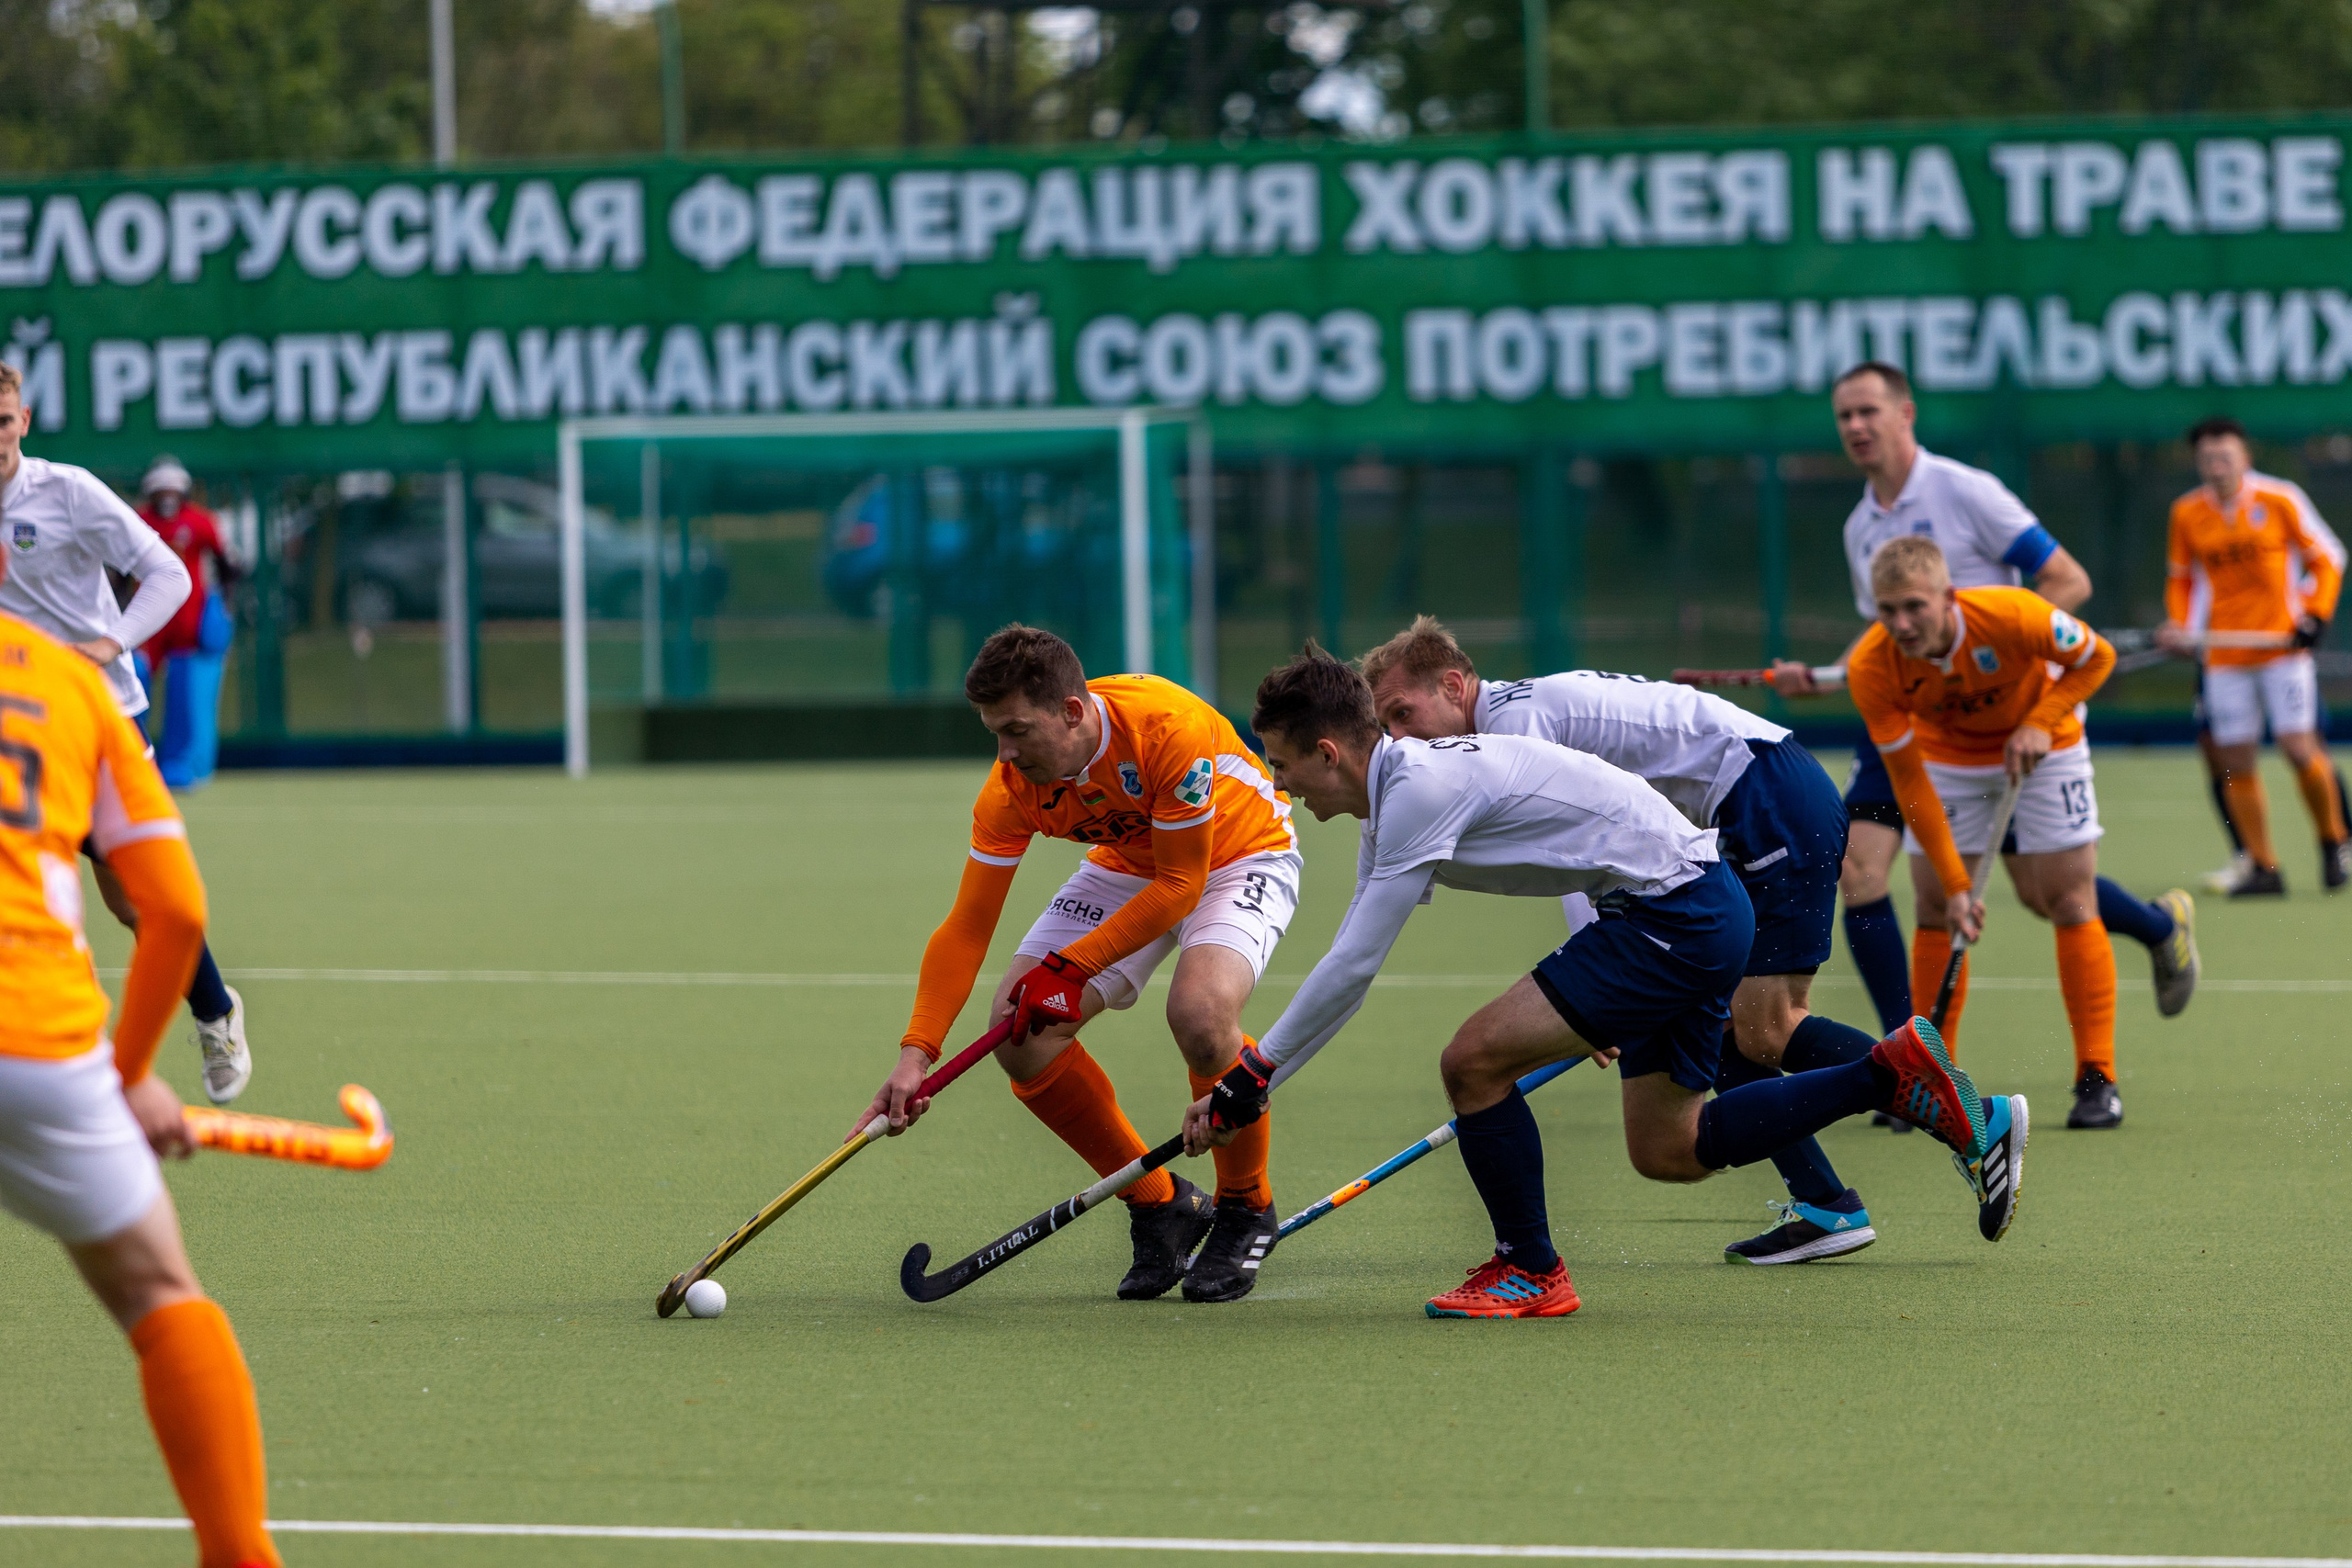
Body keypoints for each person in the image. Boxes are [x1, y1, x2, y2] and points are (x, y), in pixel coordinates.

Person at [1182, 649, 2023, 1319]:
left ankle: (1529, 1270)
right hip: (1684, 903)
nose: (1280, 782)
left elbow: (1355, 967)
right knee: (1669, 1149)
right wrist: (1255, 1084)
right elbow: (1350, 965)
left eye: (1283, 762)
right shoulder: (1394, 795)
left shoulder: (1416, 787)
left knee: (1473, 1062)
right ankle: (1885, 1073)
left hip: (1672, 911)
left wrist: (1250, 1078)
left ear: (1329, 751)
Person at [1360, 618, 1885, 1266]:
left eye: (1404, 714)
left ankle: (1956, 1105)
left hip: (1762, 791)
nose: (1400, 738)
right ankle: (1826, 1200)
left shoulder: (1511, 724)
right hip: (1753, 801)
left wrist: (1600, 997)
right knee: (1730, 1032)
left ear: (1453, 683)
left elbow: (1574, 858)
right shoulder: (1509, 716)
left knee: (1768, 1026)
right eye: (1387, 726)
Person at [848, 625, 1302, 1303]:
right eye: (993, 732)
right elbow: (968, 925)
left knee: (1202, 1015)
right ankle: (1160, 1203)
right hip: (1128, 863)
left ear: (1071, 710)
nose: (1004, 752)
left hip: (1238, 855)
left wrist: (1071, 967)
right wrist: (917, 1051)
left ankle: (1245, 1207)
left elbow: (1181, 883)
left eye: (1016, 730)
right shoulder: (1011, 787)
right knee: (1020, 1035)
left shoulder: (1164, 729)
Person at [1772, 361, 2198, 1082]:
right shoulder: (1859, 530)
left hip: (2012, 702)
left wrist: (2011, 653)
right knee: (1865, 871)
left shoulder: (1964, 491)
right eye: (1843, 415)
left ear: (1906, 413)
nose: (1856, 427)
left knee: (2046, 890)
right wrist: (1821, 678)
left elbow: (2068, 581)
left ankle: (2158, 928)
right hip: (1916, 711)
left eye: (1869, 410)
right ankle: (1907, 1064)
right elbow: (1882, 639)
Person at [0, 592, 282, 1566]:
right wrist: (123, 1077)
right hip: (35, 1041)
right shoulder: (72, 687)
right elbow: (176, 909)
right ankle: (239, 1554)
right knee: (162, 1294)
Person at [0, 366, 253, 1104]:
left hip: (99, 722)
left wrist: (111, 645)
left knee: (136, 903)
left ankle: (214, 1012)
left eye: (3, 420)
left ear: (24, 419)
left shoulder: (67, 492)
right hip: (15, 731)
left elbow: (167, 573)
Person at [1848, 536, 2129, 1129]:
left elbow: (2097, 656)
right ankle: (1928, 1080)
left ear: (1948, 596)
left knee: (2070, 897)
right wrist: (1956, 885)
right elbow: (1909, 781)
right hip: (1948, 762)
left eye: (1914, 606)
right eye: (1887, 610)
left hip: (2048, 745)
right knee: (1930, 903)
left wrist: (2039, 721)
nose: (1901, 623)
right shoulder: (1871, 667)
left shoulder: (2012, 613)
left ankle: (2097, 1077)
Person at [2160, 420, 2347, 896]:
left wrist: (2314, 616)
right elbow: (2181, 578)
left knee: (2299, 748)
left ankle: (2334, 842)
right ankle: (2265, 866)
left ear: (2245, 457)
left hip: (2281, 650)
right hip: (2224, 655)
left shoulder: (2279, 499)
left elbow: (2328, 558)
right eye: (2208, 459)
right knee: (2234, 760)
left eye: (2226, 456)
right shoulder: (2186, 514)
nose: (2217, 466)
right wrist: (2181, 625)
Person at [135, 457, 238, 791]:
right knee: (134, 689)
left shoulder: (200, 521)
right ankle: (133, 763)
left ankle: (177, 765)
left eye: (173, 490)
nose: (166, 497)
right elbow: (119, 572)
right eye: (160, 490)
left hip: (186, 622)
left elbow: (227, 563)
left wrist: (225, 603)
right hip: (146, 621)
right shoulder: (137, 521)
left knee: (182, 694)